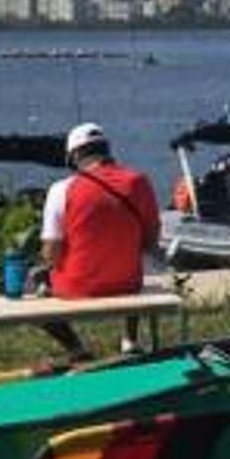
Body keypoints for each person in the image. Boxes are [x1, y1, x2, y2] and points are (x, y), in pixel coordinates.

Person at [39, 122, 161, 359]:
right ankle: (130, 340)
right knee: (126, 259)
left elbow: (50, 254)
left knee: (31, 282)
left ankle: (77, 349)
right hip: (128, 284)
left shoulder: (61, 189)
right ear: (107, 150)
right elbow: (149, 241)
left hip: (76, 286)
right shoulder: (140, 182)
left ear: (73, 156)